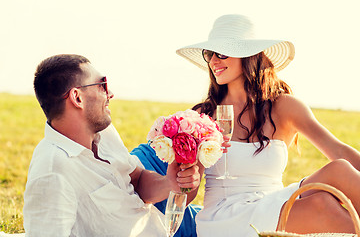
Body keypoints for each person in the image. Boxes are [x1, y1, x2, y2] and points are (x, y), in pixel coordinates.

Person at [176, 14, 360, 236]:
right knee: (320, 205)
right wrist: (189, 175)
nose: (213, 60)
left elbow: (339, 150)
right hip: (226, 216)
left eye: (221, 52)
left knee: (339, 169)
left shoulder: (283, 107)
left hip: (272, 200)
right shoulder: (202, 115)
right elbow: (187, 195)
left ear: (249, 56)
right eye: (209, 54)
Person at [23, 54, 201, 237]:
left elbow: (137, 180)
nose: (110, 94)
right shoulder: (53, 171)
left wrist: (169, 183)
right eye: (102, 85)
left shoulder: (102, 132)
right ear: (77, 97)